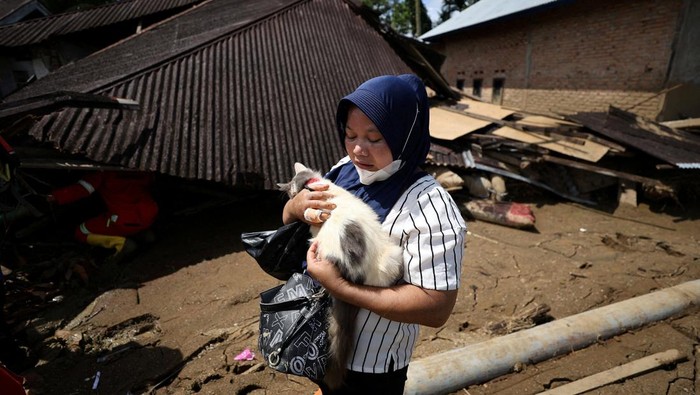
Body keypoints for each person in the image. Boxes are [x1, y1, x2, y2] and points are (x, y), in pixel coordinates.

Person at [282, 74, 467, 394]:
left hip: (372, 367)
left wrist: (340, 286)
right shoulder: (343, 170)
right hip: (317, 337)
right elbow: (292, 226)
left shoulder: (431, 207)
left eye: (374, 137)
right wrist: (294, 208)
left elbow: (435, 308)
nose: (357, 149)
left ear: (403, 135)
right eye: (350, 134)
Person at [47, 170, 158, 263]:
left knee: (81, 232)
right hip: (149, 214)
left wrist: (56, 196)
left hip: (122, 219)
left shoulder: (104, 171)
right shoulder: (141, 168)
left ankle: (121, 244)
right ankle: (143, 234)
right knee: (134, 222)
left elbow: (82, 189)